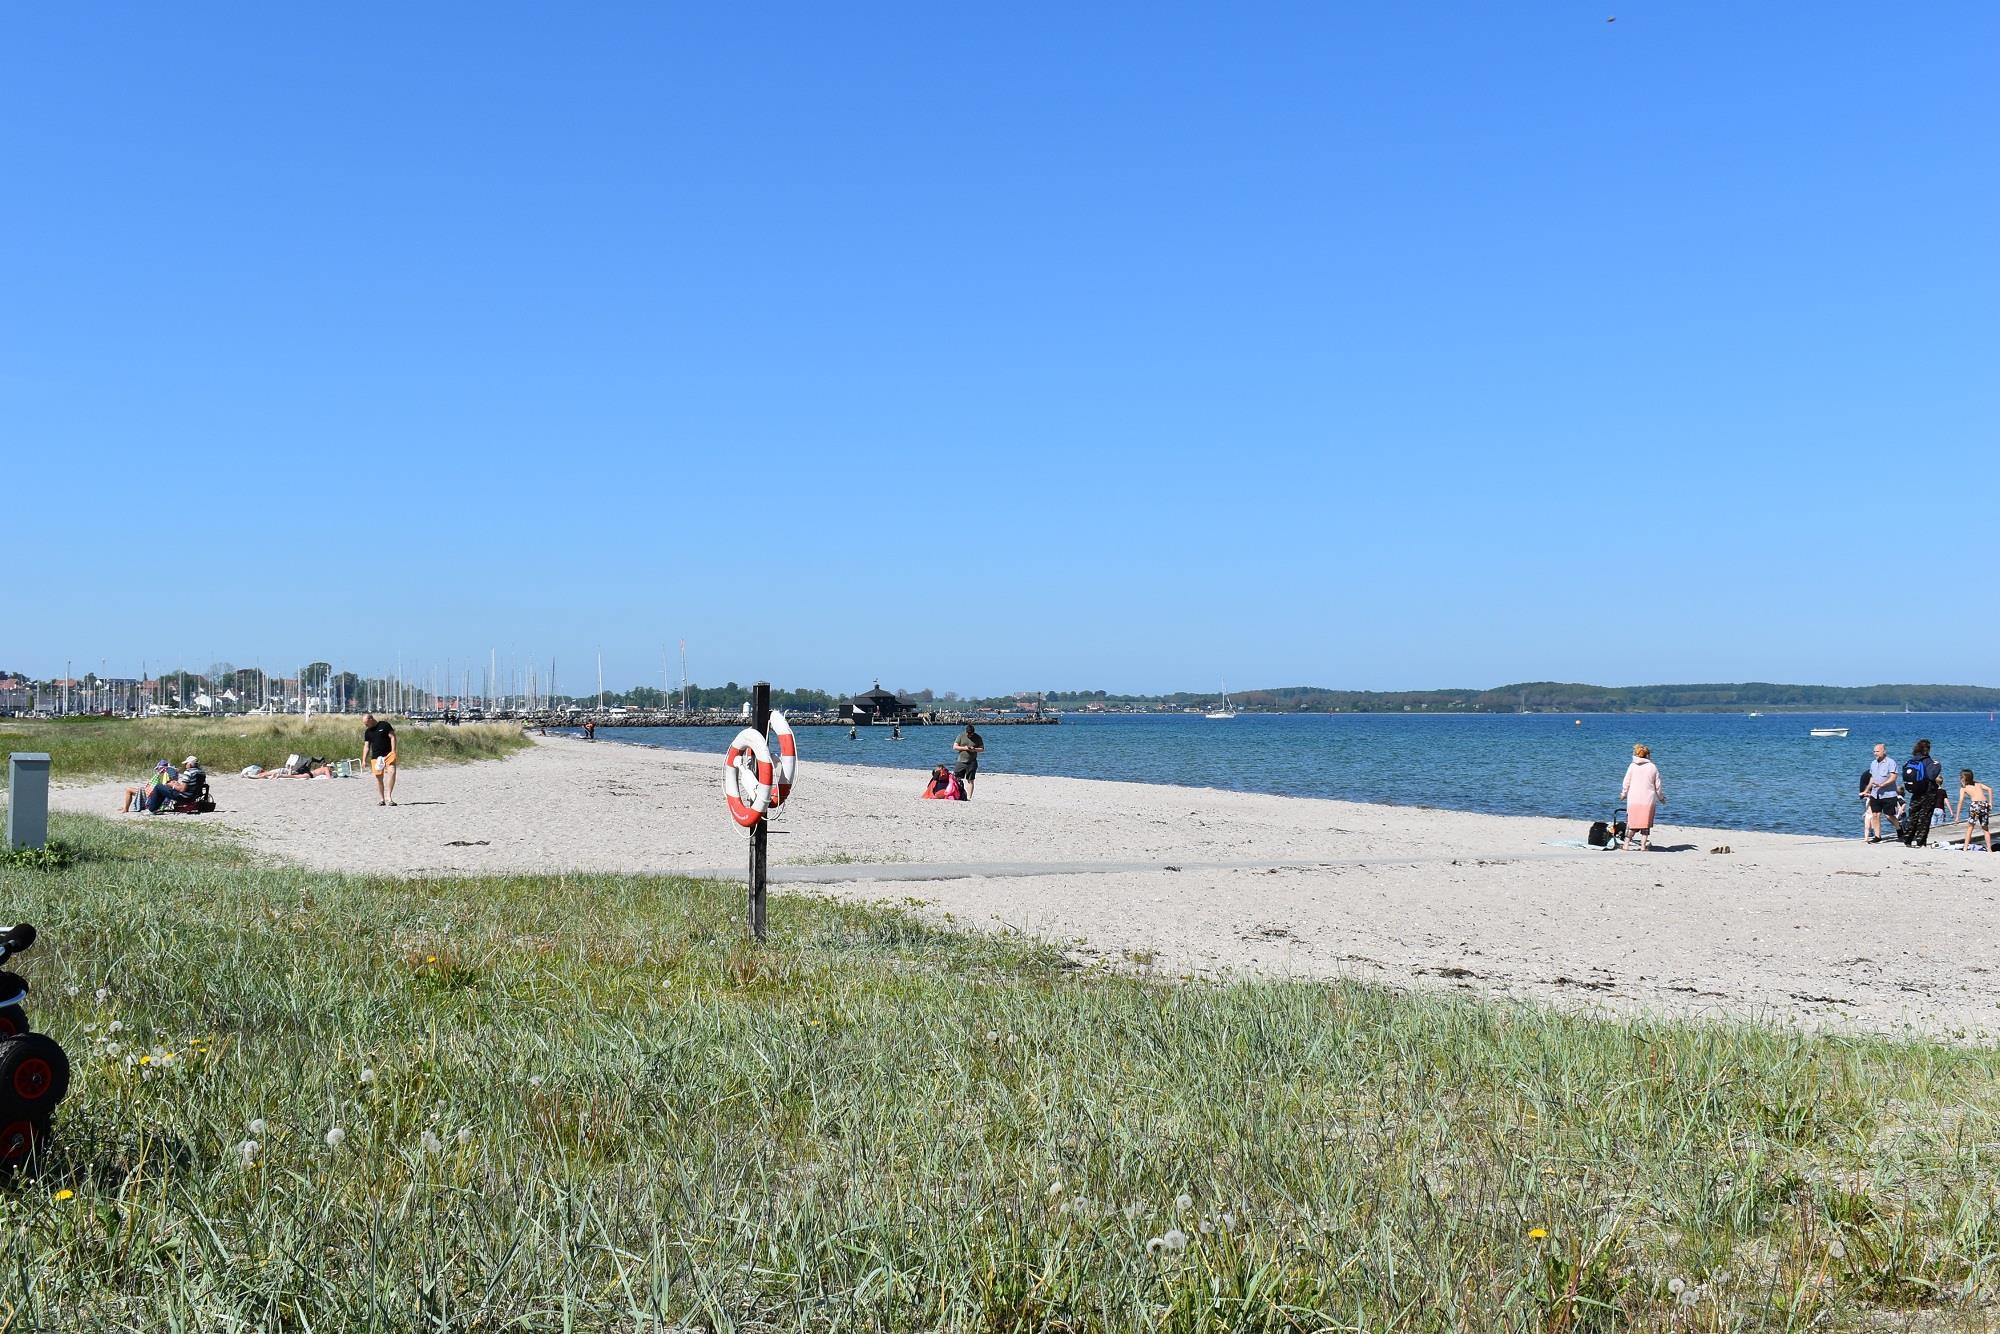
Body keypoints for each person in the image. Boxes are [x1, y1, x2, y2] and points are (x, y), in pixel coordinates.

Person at [1619, 743, 1664, 851]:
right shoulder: (1652, 767)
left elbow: (1626, 782)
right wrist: (1661, 798)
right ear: (1648, 755)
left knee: (1632, 823)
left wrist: (1623, 794)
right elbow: (1658, 785)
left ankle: (1626, 845)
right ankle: (1643, 846)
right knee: (1645, 823)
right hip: (1648, 799)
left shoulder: (1632, 766)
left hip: (1633, 799)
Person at [1898, 739, 1942, 846]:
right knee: (1925, 817)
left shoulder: (1912, 761)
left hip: (1915, 791)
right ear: (1927, 749)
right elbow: (1931, 776)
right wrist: (1937, 765)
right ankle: (1920, 841)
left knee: (1913, 815)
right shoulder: (1928, 761)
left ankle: (1907, 839)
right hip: (1928, 792)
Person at [1863, 743, 1900, 843]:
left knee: (1889, 815)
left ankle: (1899, 828)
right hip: (1875, 794)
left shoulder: (1891, 762)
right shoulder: (1873, 763)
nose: (1875, 753)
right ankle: (1877, 836)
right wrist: (1866, 790)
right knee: (1875, 814)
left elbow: (1893, 777)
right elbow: (1872, 778)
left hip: (1888, 794)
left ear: (1884, 751)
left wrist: (1882, 785)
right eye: (1874, 751)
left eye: (1877, 751)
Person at [362, 713, 398, 807]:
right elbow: (366, 746)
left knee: (392, 772)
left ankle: (389, 797)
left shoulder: (384, 725)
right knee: (379, 778)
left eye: (366, 723)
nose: (366, 725)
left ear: (371, 719)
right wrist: (364, 760)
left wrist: (393, 751)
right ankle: (382, 799)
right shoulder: (368, 732)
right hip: (376, 757)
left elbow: (393, 737)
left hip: (388, 754)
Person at [1954, 769, 1993, 853]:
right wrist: (1990, 803)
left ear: (1963, 778)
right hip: (1984, 804)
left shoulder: (1964, 788)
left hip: (1975, 806)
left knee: (1970, 828)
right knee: (1985, 828)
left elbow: (1960, 801)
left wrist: (1957, 816)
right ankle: (1989, 849)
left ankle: (1965, 848)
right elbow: (1989, 789)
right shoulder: (1978, 784)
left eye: (1961, 777)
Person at [953, 722, 985, 797]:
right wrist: (965, 748)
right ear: (966, 731)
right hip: (961, 761)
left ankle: (969, 797)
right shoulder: (961, 736)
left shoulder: (978, 737)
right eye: (968, 733)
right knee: (956, 778)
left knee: (970, 780)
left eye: (971, 734)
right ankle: (956, 794)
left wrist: (974, 749)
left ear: (973, 732)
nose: (969, 735)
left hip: (972, 761)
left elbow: (982, 749)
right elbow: (955, 747)